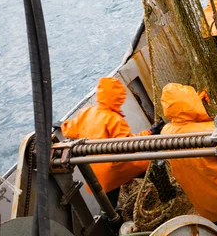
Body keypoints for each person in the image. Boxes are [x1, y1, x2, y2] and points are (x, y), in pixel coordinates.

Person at [160, 83, 217, 236]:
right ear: (192, 103)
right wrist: (207, 112)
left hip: (204, 203)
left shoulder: (165, 133)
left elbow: (185, 117)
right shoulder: (211, 129)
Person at [61, 77, 155, 207]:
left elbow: (68, 130)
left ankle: (115, 221)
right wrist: (149, 133)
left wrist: (62, 125)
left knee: (110, 204)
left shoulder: (86, 113)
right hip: (116, 169)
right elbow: (128, 146)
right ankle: (166, 194)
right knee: (152, 164)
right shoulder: (115, 119)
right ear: (119, 97)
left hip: (95, 175)